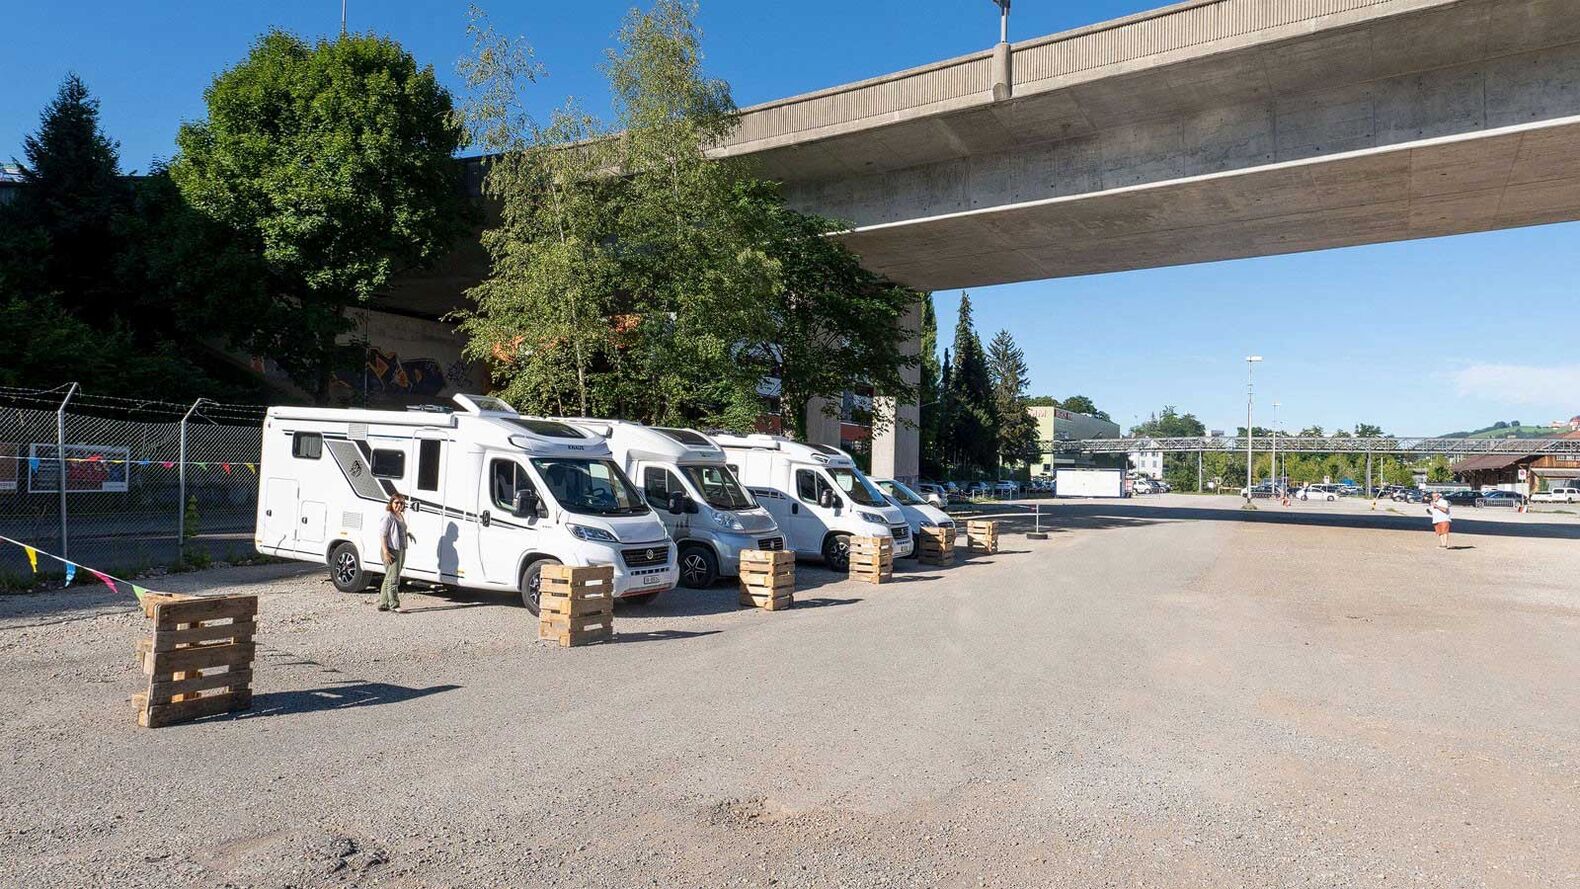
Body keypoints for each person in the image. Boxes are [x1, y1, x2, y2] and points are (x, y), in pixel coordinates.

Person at [379, 492, 415, 612]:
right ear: (391, 503)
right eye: (396, 503)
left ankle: (383, 603)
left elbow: (399, 530)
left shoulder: (399, 515)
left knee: (389, 576)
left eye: (402, 503)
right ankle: (394, 605)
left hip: (401, 549)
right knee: (393, 578)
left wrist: (407, 534)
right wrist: (385, 552)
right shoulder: (388, 516)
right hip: (391, 550)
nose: (399, 505)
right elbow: (383, 535)